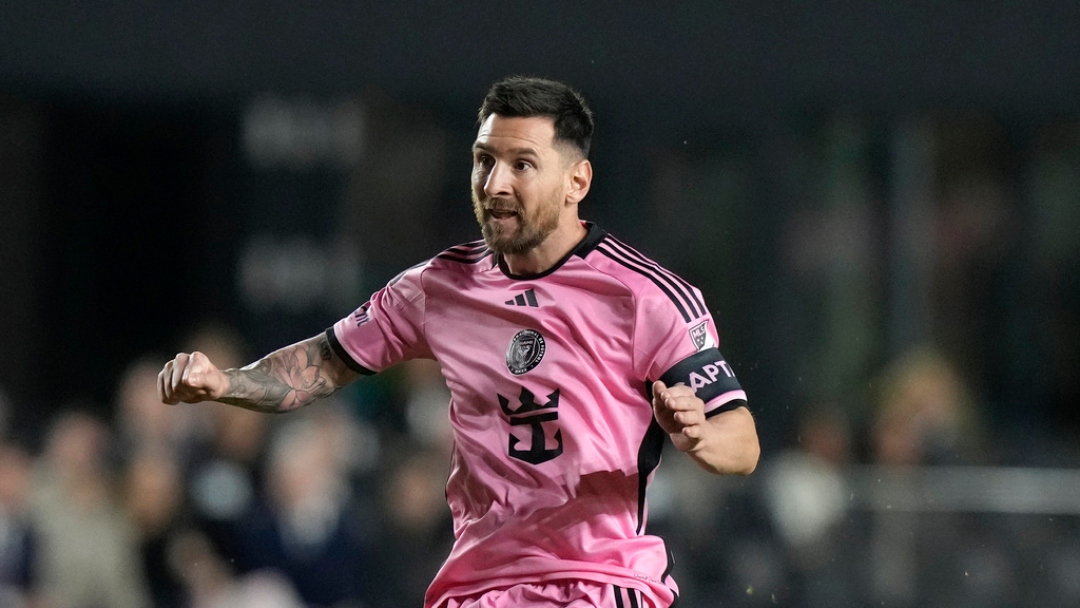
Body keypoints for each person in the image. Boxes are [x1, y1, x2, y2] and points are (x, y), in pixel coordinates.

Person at [159, 75, 760, 608]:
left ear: (576, 181)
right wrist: (225, 383)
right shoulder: (438, 287)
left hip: (595, 584)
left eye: (522, 164)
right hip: (474, 590)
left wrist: (700, 436)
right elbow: (323, 361)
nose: (494, 183)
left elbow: (742, 439)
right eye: (484, 161)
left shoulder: (643, 296)